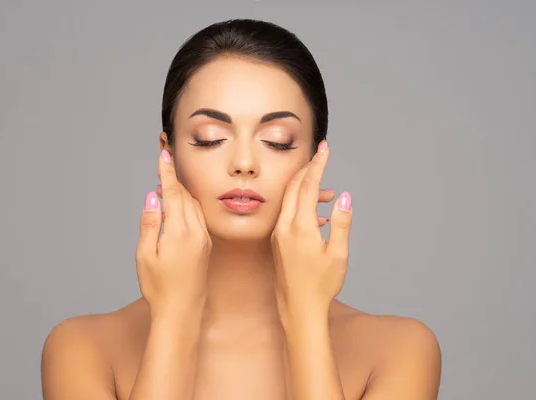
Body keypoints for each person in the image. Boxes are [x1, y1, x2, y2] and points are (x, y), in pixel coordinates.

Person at [40, 19, 442, 400]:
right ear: (168, 153)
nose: (244, 162)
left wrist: (304, 313)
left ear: (316, 158)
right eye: (210, 138)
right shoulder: (82, 348)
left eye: (279, 140)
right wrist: (175, 316)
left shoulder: (399, 350)